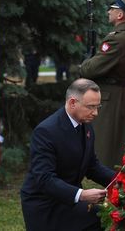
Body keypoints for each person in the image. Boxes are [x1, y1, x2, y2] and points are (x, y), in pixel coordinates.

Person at [20, 78, 114, 231]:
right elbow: (44, 178)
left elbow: (92, 166)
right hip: (46, 206)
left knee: (108, 218)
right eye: (91, 107)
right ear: (72, 103)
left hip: (69, 201)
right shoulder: (46, 132)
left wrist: (121, 181)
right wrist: (81, 194)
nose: (96, 113)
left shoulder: (86, 126)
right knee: (104, 219)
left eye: (98, 107)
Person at [79, 0, 125, 169]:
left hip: (111, 97)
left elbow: (90, 69)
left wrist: (84, 64)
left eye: (112, 9)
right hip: (122, 93)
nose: (109, 12)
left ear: (120, 14)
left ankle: (108, 181)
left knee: (107, 145)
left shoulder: (117, 39)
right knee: (119, 142)